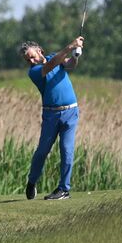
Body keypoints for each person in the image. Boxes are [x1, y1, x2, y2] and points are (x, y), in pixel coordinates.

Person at [21, 37, 85, 201]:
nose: (31, 60)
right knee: (42, 151)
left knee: (67, 150)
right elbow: (51, 65)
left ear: (40, 51)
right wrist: (70, 46)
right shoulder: (34, 71)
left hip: (71, 112)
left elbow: (69, 65)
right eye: (28, 59)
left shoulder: (53, 59)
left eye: (32, 56)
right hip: (51, 115)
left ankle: (64, 189)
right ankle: (32, 181)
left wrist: (76, 56)